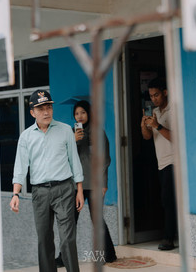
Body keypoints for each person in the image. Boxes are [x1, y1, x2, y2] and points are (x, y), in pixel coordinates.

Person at [10, 89, 85, 272]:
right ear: (32, 112)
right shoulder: (26, 137)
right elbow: (20, 167)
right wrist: (15, 193)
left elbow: (74, 161)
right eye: (41, 108)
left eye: (48, 107)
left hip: (64, 189)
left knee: (67, 238)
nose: (46, 112)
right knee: (44, 238)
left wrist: (79, 190)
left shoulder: (65, 130)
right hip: (40, 192)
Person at [56, 100, 117, 267]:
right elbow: (63, 157)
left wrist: (104, 183)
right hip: (76, 185)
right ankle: (63, 256)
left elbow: (105, 159)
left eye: (83, 112)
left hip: (94, 184)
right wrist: (72, 140)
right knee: (70, 221)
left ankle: (109, 254)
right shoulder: (70, 133)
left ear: (89, 113)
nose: (79, 116)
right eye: (76, 113)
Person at [140, 77, 177, 251]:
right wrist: (144, 126)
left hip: (174, 162)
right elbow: (148, 137)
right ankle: (170, 235)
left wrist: (158, 125)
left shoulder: (174, 110)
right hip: (161, 163)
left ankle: (169, 238)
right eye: (151, 96)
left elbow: (176, 138)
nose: (154, 99)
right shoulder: (155, 112)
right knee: (165, 200)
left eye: (156, 95)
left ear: (165, 92)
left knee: (168, 200)